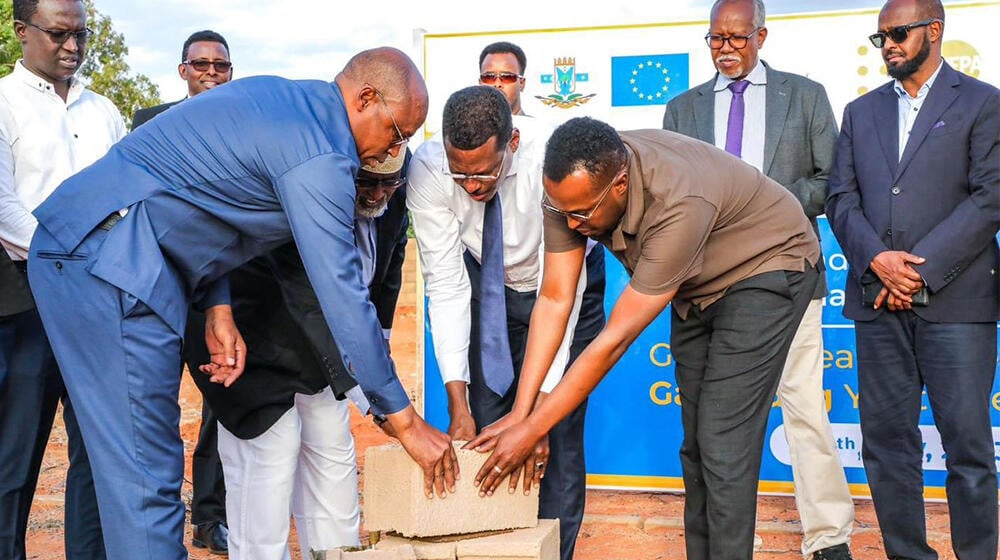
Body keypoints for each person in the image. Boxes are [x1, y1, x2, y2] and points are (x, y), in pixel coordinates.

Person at [26, 47, 458, 560]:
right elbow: (342, 293)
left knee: (136, 471)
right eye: (398, 131)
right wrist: (405, 423)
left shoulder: (287, 102)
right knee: (148, 478)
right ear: (366, 98)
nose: (393, 149)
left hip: (117, 255)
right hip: (109, 261)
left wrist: (217, 305)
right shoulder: (321, 153)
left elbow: (200, 195)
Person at [468, 117, 821, 560]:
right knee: (695, 445)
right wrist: (522, 412)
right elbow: (556, 297)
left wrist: (535, 427)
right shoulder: (569, 192)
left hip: (767, 265)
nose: (573, 225)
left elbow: (613, 340)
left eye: (582, 214)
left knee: (723, 441)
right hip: (697, 286)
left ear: (619, 185)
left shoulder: (678, 199)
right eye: (563, 213)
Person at [662, 1, 854, 558]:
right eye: (715, 39)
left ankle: (828, 537)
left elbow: (833, 180)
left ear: (761, 36)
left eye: (736, 38)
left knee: (804, 409)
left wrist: (766, 205)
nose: (725, 48)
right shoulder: (683, 108)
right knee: (707, 426)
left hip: (786, 280)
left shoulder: (806, 95)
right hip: (708, 288)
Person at [826, 0, 999, 558]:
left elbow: (990, 197)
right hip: (879, 301)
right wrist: (879, 261)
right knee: (886, 447)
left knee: (969, 449)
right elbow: (840, 198)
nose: (889, 45)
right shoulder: (860, 112)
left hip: (957, 305)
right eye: (881, 38)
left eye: (898, 33)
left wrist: (916, 270)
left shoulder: (983, 104)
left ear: (935, 30)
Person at [407, 85, 605, 560]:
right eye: (461, 175)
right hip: (489, 291)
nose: (472, 187)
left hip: (562, 287)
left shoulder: (549, 162)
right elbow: (448, 284)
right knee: (487, 431)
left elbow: (561, 298)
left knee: (552, 434)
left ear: (511, 143)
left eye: (484, 173)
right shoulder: (430, 170)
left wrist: (536, 414)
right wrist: (458, 402)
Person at [183, 152, 412, 559]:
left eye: (388, 184)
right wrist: (378, 401)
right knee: (268, 466)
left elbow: (387, 270)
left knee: (333, 461)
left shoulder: (393, 192)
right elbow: (310, 300)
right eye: (367, 184)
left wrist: (379, 349)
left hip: (323, 351)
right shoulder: (308, 189)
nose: (378, 194)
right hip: (252, 338)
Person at [0, 1, 125, 558]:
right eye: (58, 34)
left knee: (97, 448)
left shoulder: (105, 112)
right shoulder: (2, 105)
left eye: (81, 34)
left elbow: (127, 197)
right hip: (25, 298)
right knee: (15, 449)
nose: (72, 46)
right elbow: (4, 207)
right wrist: (67, 255)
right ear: (21, 31)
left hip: (97, 296)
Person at [130, 29, 233, 555]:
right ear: (182, 71)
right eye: (201, 65)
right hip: (159, 290)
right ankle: (157, 521)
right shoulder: (148, 123)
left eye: (220, 65)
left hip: (223, 295)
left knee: (222, 405)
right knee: (156, 406)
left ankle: (211, 518)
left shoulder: (243, 128)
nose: (210, 73)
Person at [478, 41, 528, 116]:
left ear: (521, 83)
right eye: (489, 77)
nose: (497, 84)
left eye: (507, 77)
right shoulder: (467, 127)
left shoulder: (539, 127)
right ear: (480, 83)